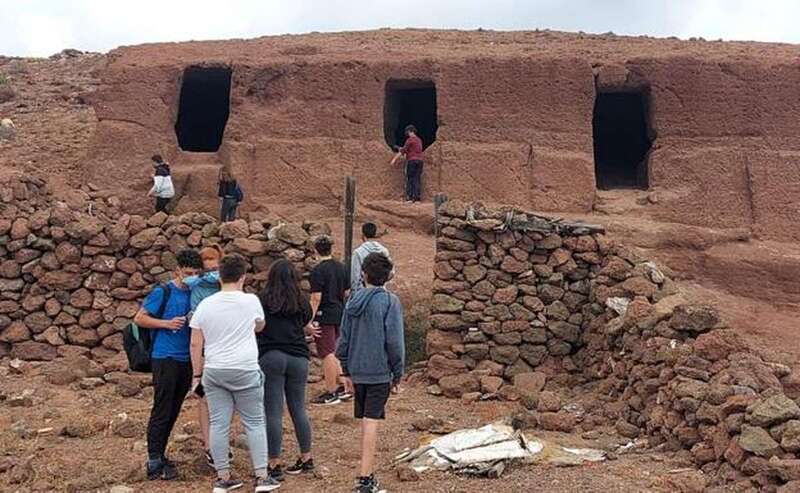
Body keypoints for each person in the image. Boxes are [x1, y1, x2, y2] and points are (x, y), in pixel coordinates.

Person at [189, 255, 280, 493]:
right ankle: (261, 476)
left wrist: (196, 376)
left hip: (214, 369)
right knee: (254, 422)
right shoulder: (250, 301)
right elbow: (260, 325)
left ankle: (223, 477)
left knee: (219, 424)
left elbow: (196, 343)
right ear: (243, 276)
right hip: (245, 368)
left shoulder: (205, 305)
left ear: (219, 276)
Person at [336, 252, 405, 493]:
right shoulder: (390, 302)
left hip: (356, 370)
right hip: (378, 371)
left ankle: (366, 473)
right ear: (387, 277)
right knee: (371, 422)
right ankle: (364, 479)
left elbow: (343, 338)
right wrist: (397, 374)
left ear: (363, 274)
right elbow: (394, 341)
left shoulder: (352, 302)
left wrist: (344, 370)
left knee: (366, 421)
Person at [133, 248, 203, 481]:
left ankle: (161, 454)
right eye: (187, 272)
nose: (191, 276)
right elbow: (140, 317)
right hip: (165, 357)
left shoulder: (197, 293)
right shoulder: (162, 292)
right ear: (177, 271)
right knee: (162, 407)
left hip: (187, 359)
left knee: (174, 409)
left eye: (195, 272)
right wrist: (165, 324)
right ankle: (153, 459)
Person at [257, 260, 316, 482]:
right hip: (298, 357)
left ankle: (274, 462)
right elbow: (305, 321)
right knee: (298, 408)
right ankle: (306, 456)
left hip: (271, 356)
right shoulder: (301, 301)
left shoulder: (262, 299)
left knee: (273, 411)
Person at [184, 244, 224, 466]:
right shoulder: (198, 282)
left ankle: (218, 443)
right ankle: (209, 444)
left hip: (216, 342)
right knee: (203, 397)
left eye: (215, 269)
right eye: (206, 268)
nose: (211, 273)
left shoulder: (218, 284)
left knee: (218, 397)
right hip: (204, 343)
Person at [308, 236, 351, 406]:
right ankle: (342, 385)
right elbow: (347, 292)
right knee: (336, 348)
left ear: (316, 250)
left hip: (323, 315)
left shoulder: (318, 271)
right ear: (331, 249)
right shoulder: (341, 267)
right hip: (339, 312)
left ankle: (331, 390)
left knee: (326, 352)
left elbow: (315, 297)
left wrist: (309, 318)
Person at [350, 223, 391, 295]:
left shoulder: (358, 252)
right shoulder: (384, 250)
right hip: (381, 292)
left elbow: (355, 277)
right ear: (375, 234)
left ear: (363, 235)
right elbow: (391, 272)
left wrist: (355, 295)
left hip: (363, 293)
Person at [392, 124, 424, 203]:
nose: (407, 134)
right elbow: (414, 150)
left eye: (407, 132)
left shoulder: (410, 140)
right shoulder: (419, 140)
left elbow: (403, 151)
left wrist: (394, 159)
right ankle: (417, 199)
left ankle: (409, 198)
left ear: (410, 131)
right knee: (417, 179)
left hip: (412, 161)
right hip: (420, 161)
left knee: (410, 179)